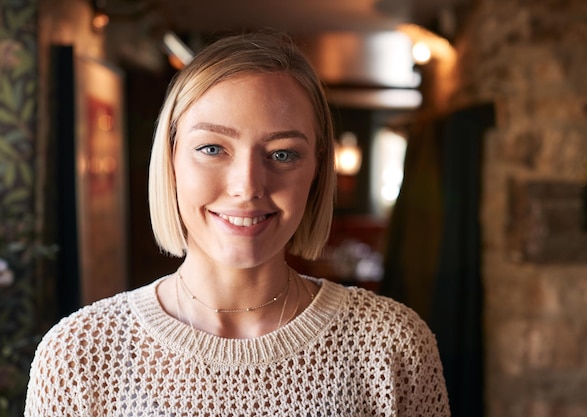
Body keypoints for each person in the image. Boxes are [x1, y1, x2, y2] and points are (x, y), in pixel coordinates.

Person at [25, 32, 450, 416]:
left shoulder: (392, 344)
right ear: (170, 160)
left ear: (318, 169)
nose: (247, 186)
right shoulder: (78, 355)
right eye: (212, 148)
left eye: (283, 153)